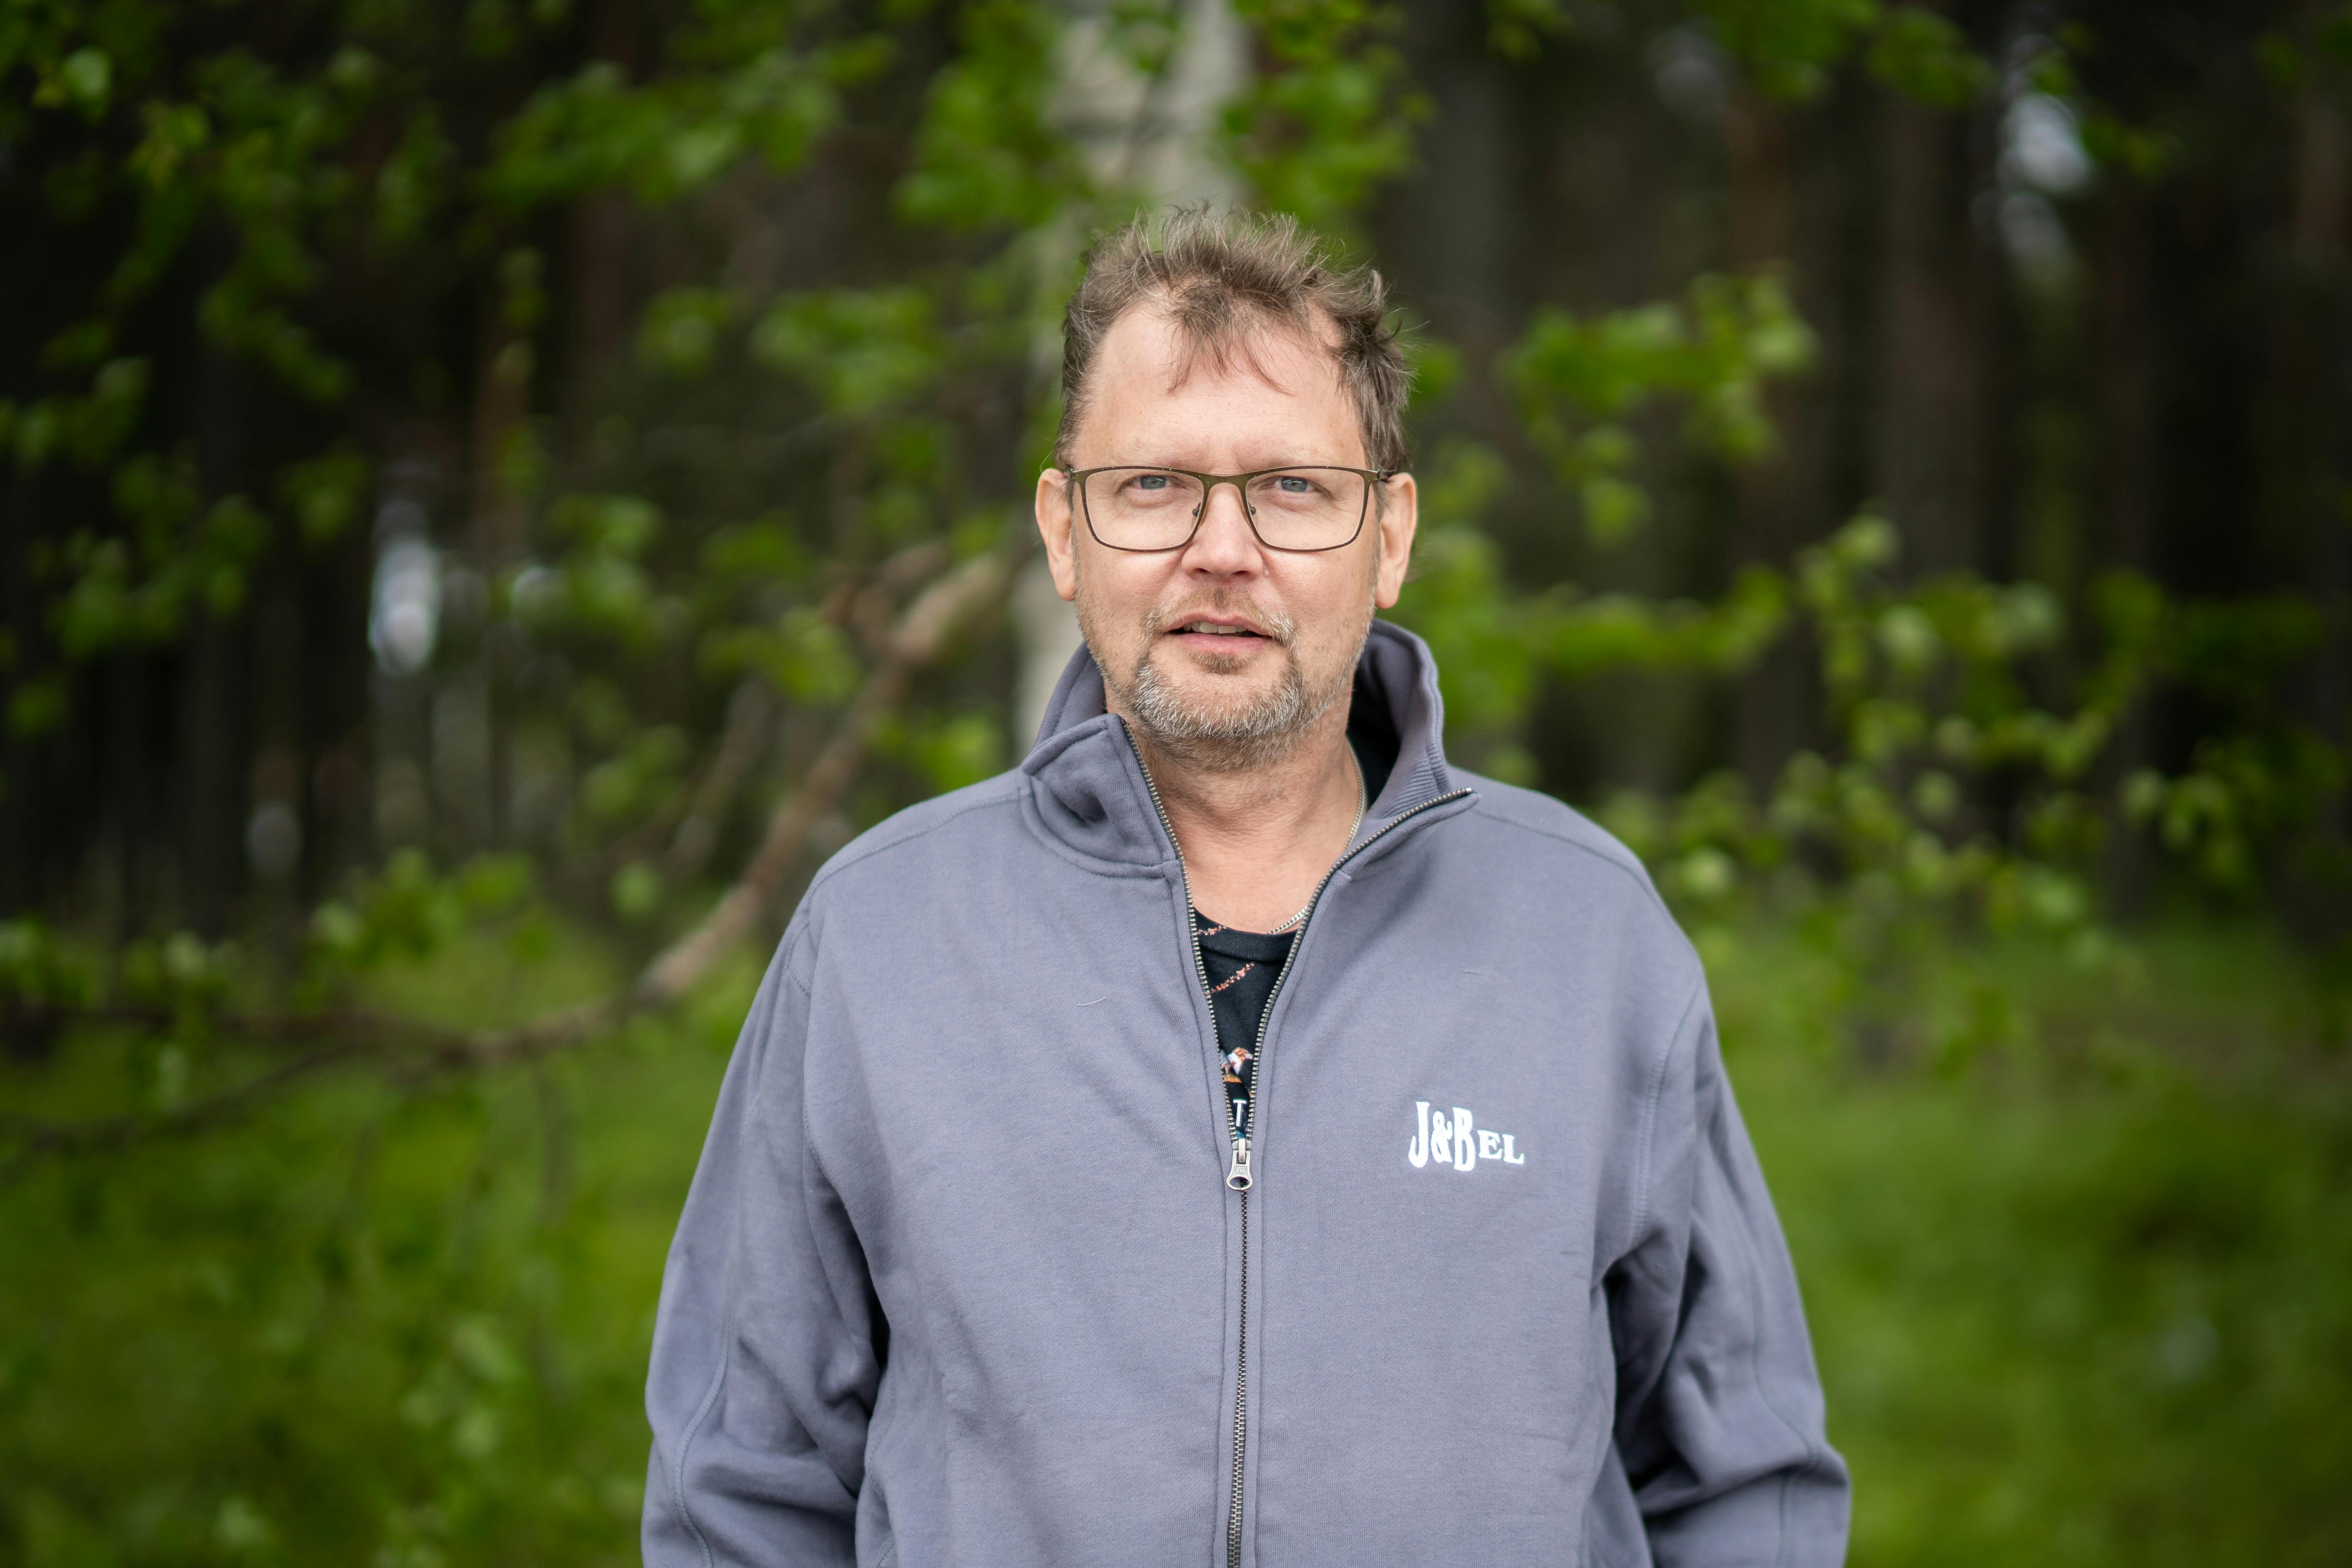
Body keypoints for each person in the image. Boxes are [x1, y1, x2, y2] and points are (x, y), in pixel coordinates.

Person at [642, 208, 1849, 1567]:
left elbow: (1744, 1484)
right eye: (1154, 485)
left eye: (1291, 488)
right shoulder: (879, 939)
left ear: (1388, 537)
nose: (1222, 548)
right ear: (1063, 530)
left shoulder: (1588, 938)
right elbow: (740, 1495)